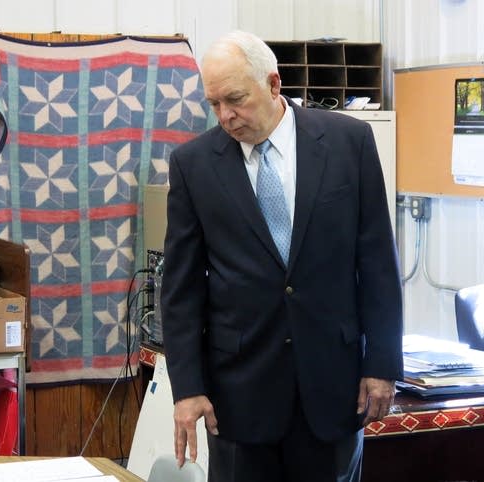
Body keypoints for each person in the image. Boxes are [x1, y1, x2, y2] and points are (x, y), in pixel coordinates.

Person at [160, 30, 403, 482]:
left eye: (235, 99)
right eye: (214, 104)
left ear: (274, 84)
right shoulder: (194, 166)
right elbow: (181, 289)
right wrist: (187, 389)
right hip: (239, 396)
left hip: (333, 387)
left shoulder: (350, 144)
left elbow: (377, 264)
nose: (226, 116)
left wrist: (383, 365)